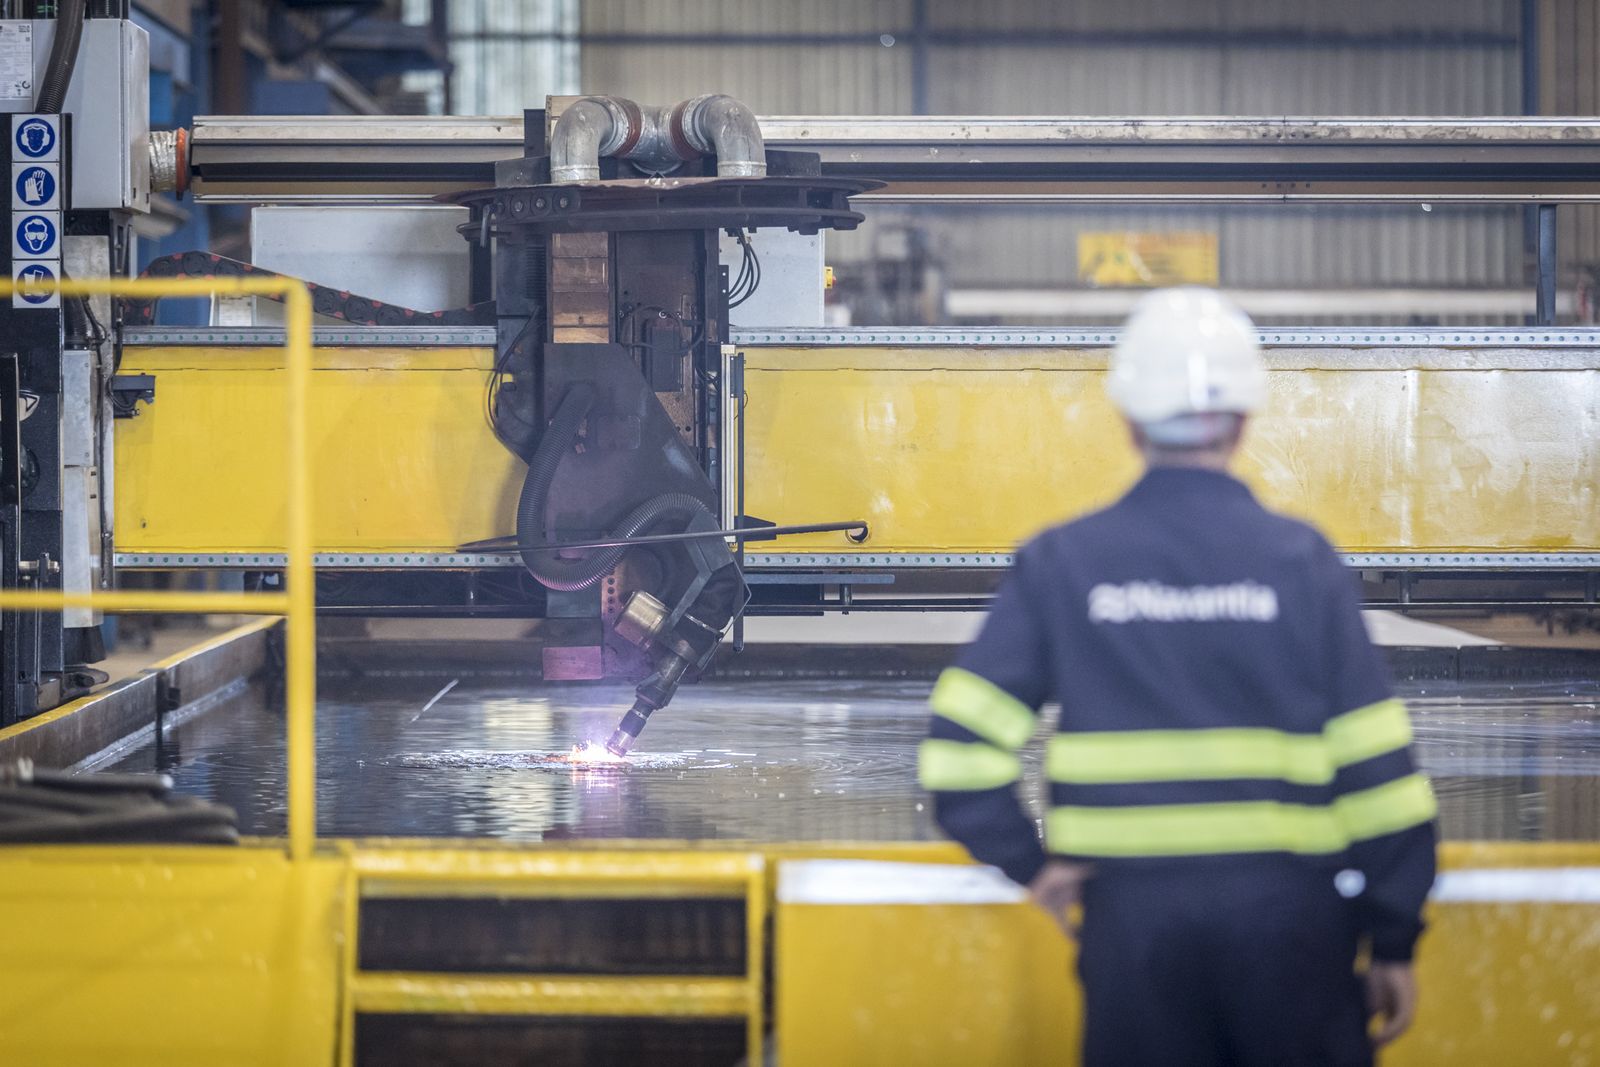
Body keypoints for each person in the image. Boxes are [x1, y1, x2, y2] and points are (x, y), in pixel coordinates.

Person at [918, 287, 1438, 1067]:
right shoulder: (1301, 563)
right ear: (1244, 420)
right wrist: (1393, 934)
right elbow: (1381, 775)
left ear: (1129, 420)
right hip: (1293, 926)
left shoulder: (1065, 562)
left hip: (1133, 930)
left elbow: (958, 756)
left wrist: (1035, 865)